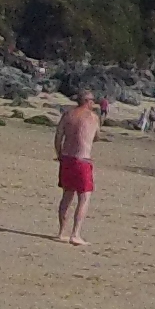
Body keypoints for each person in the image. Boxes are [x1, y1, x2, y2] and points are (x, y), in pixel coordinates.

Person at [53, 87, 102, 246]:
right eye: (92, 100)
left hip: (67, 158)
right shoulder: (93, 117)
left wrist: (59, 154)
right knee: (84, 197)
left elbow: (58, 136)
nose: (94, 103)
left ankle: (62, 232)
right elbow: (97, 136)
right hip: (82, 160)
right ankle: (75, 234)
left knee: (67, 195)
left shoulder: (68, 115)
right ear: (87, 101)